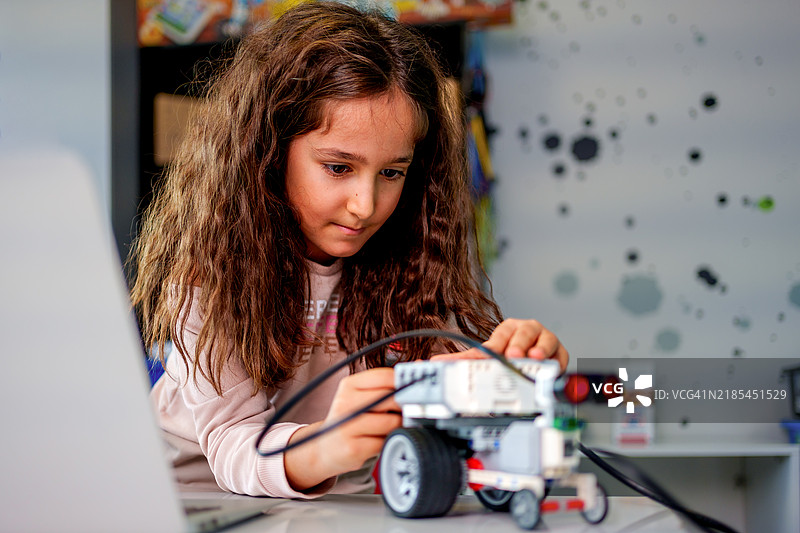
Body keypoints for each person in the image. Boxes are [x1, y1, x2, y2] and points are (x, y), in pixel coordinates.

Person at [129, 1, 569, 499]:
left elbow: (447, 397)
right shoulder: (208, 276)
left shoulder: (411, 265)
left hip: (335, 508)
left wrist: (505, 372)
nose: (365, 206)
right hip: (195, 502)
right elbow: (235, 446)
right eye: (338, 168)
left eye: (392, 173)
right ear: (269, 153)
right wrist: (327, 444)